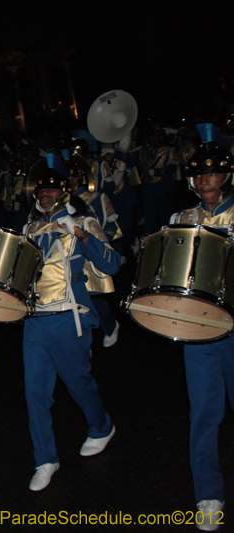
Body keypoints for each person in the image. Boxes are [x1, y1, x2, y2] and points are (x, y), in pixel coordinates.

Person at [21, 154, 119, 491]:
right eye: (40, 189)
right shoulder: (29, 229)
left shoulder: (84, 222)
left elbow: (113, 264)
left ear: (64, 191)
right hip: (34, 318)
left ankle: (101, 426)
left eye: (51, 188)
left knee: (78, 382)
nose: (44, 193)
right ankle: (45, 458)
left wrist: (81, 234)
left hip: (68, 315)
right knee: (35, 393)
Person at [169, 124, 233, 531]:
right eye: (198, 173)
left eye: (212, 171)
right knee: (204, 411)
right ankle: (208, 492)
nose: (205, 179)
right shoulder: (181, 218)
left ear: (227, 175)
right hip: (199, 327)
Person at [64, 153, 123, 348]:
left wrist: (97, 242)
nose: (70, 181)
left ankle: (111, 325)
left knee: (95, 298)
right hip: (67, 255)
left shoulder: (96, 197)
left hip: (91, 252)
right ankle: (81, 343)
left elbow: (111, 226)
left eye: (73, 177)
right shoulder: (56, 202)